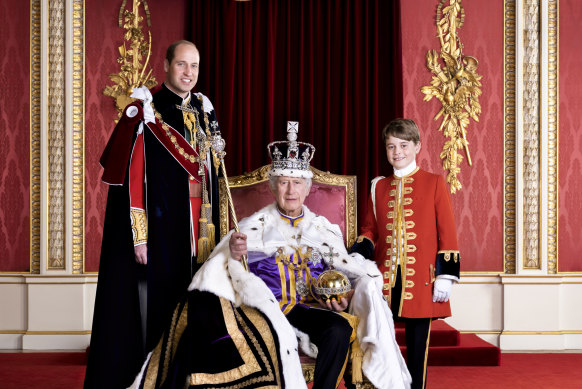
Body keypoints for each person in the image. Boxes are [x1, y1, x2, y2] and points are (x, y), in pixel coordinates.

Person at [130, 123, 411, 389]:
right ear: (274, 186)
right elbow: (225, 271)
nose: (291, 191)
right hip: (265, 310)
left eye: (297, 183)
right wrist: (235, 255)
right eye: (284, 183)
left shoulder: (324, 229)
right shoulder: (252, 227)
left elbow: (345, 272)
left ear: (307, 188)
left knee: (338, 330)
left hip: (307, 309)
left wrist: (343, 297)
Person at [85, 40, 224, 389]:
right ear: (165, 65)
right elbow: (133, 179)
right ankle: (157, 378)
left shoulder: (205, 110)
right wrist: (140, 235)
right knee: (165, 306)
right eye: (181, 64)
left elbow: (214, 174)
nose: (188, 72)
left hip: (201, 222)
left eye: (193, 65)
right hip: (163, 225)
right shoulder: (147, 109)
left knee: (199, 301)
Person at [350, 118, 461, 389]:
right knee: (381, 344)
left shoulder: (434, 182)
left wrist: (446, 276)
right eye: (391, 146)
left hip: (422, 279)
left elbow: (447, 231)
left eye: (403, 145)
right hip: (385, 278)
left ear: (417, 146)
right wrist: (358, 253)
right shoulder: (378, 186)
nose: (397, 152)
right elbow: (369, 229)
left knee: (418, 347)